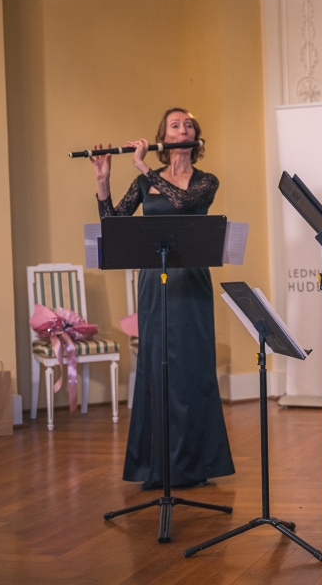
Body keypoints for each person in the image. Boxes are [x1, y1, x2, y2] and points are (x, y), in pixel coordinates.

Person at [92, 108, 234, 490]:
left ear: (194, 137)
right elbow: (113, 223)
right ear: (164, 138)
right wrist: (103, 182)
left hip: (191, 280)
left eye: (188, 125)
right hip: (154, 282)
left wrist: (144, 168)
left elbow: (184, 203)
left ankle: (195, 464)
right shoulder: (143, 184)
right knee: (156, 368)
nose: (183, 128)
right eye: (175, 125)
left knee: (192, 369)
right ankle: (156, 465)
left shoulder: (206, 180)